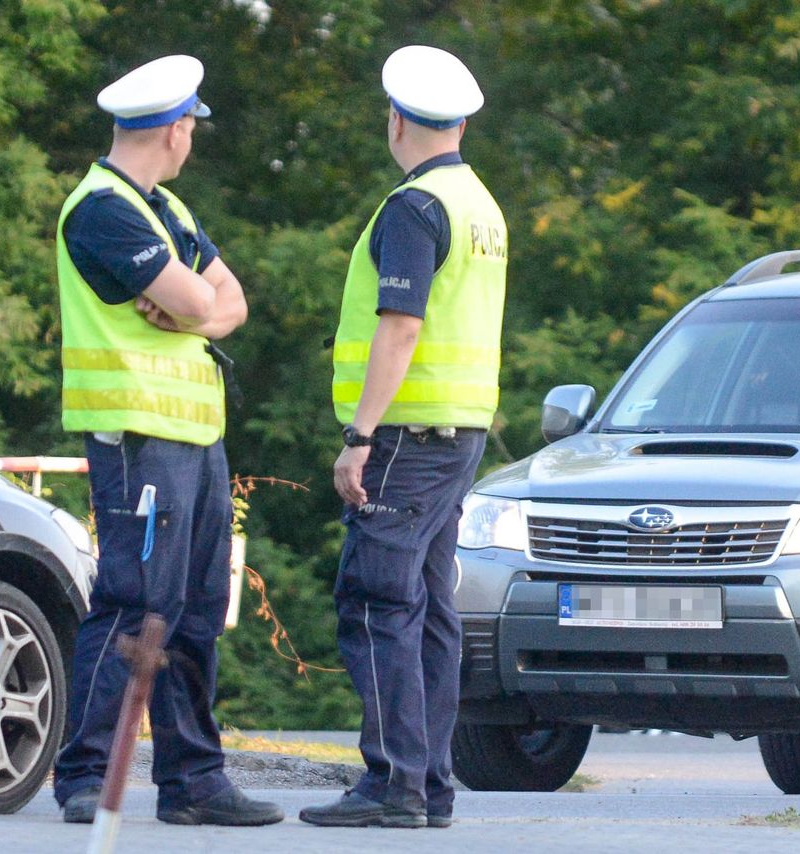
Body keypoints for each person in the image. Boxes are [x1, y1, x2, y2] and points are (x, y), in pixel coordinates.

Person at [52, 54, 282, 827]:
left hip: (193, 436)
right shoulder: (103, 209)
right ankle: (84, 776)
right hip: (136, 437)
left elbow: (230, 300)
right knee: (131, 603)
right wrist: (193, 301)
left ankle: (195, 783)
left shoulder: (166, 211)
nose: (193, 137)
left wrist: (196, 310)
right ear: (174, 129)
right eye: (192, 125)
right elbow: (196, 292)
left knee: (193, 610)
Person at [300, 45, 508, 829]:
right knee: (428, 607)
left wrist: (358, 435)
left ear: (396, 120)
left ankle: (393, 784)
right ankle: (429, 784)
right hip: (458, 435)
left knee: (375, 603)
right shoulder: (480, 205)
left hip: (405, 436)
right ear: (458, 123)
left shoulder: (414, 208)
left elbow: (402, 324)